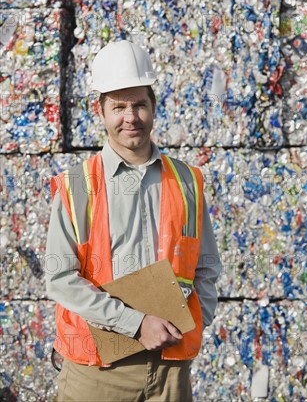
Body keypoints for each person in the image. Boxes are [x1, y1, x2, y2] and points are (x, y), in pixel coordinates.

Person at [45, 41, 222, 402]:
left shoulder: (187, 180)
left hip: (169, 368)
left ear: (154, 106)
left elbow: (206, 266)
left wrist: (188, 324)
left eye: (139, 104)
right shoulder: (76, 185)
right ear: (101, 110)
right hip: (97, 370)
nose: (131, 117)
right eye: (119, 107)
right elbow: (60, 278)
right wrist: (137, 325)